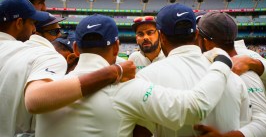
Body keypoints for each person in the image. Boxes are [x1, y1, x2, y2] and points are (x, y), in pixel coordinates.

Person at [35, 14, 233, 137]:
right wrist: (222, 63)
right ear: (116, 47)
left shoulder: (49, 88)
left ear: (76, 49)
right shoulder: (129, 89)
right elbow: (194, 108)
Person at [0, 0, 136, 137]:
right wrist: (114, 71)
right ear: (19, 23)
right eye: (32, 23)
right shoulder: (45, 55)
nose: (34, 29)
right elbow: (35, 100)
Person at [134, 4, 250, 137]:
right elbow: (245, 127)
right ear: (196, 34)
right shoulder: (234, 77)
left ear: (162, 37)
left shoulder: (146, 78)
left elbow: (141, 133)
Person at [195, 11, 266, 137]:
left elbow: (265, 123)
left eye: (198, 35)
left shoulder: (243, 70)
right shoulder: (215, 62)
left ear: (206, 42)